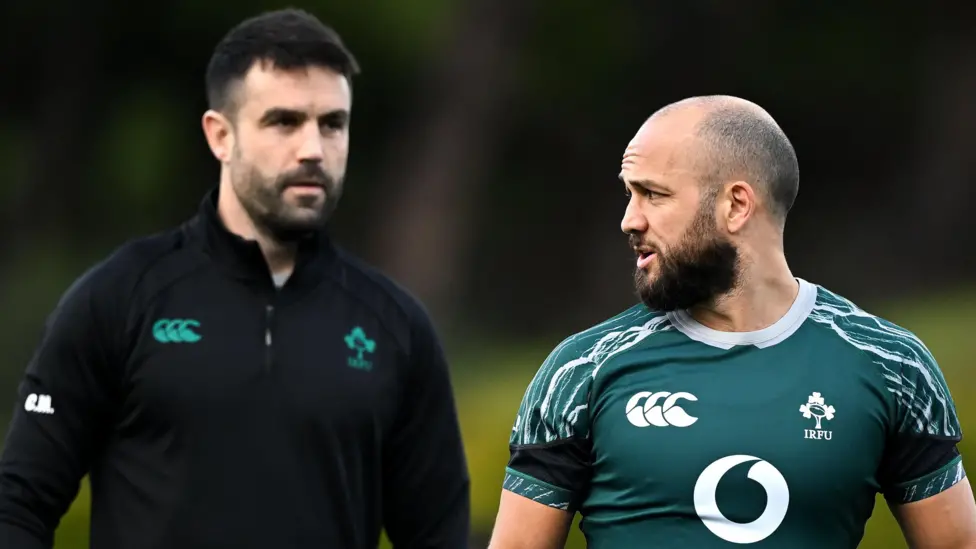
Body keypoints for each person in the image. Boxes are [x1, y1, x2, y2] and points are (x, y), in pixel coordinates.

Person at [0, 8, 469, 549]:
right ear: (219, 135)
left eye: (332, 124)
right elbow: (18, 503)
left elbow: (439, 536)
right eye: (284, 121)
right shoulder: (119, 298)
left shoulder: (396, 327)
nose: (313, 149)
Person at [488, 95, 975, 548]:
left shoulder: (890, 364)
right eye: (629, 194)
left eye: (653, 195)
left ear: (737, 205)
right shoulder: (581, 372)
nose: (630, 220)